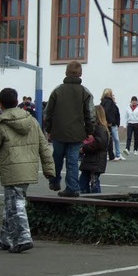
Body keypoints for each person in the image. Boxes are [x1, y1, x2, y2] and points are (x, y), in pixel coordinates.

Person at [0, 87, 55, 253]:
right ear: (17, 102)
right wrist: (49, 169)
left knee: (16, 203)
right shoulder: (32, 121)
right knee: (11, 202)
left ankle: (24, 238)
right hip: (29, 169)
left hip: (12, 170)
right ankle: (6, 237)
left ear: (1, 104)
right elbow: (43, 146)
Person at [45, 60, 95, 197]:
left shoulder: (57, 90)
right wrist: (90, 131)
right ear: (81, 74)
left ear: (66, 72)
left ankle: (54, 181)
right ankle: (72, 188)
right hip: (77, 133)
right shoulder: (85, 92)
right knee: (72, 161)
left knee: (57, 157)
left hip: (58, 131)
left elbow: (48, 112)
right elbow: (90, 114)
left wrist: (48, 129)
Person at [79, 105, 110, 194]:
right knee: (85, 181)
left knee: (93, 182)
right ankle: (88, 199)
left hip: (95, 161)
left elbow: (100, 143)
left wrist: (84, 148)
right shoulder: (99, 128)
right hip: (93, 160)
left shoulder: (100, 128)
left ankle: (95, 201)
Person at [101, 88, 123, 162]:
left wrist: (117, 123)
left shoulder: (111, 104)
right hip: (109, 124)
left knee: (114, 140)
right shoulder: (107, 102)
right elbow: (106, 112)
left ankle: (117, 154)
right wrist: (108, 121)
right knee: (110, 140)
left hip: (112, 124)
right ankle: (111, 155)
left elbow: (117, 114)